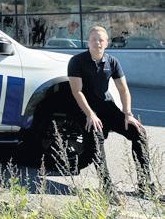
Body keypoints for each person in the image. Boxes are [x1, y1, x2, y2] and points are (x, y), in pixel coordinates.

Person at [67, 25, 157, 202]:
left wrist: (128, 114)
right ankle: (107, 188)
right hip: (84, 109)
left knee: (139, 133)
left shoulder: (112, 61)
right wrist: (90, 114)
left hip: (106, 107)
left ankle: (145, 185)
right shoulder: (77, 61)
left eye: (101, 40)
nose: (97, 43)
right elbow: (77, 91)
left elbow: (123, 89)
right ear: (88, 42)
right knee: (96, 138)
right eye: (94, 39)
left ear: (106, 43)